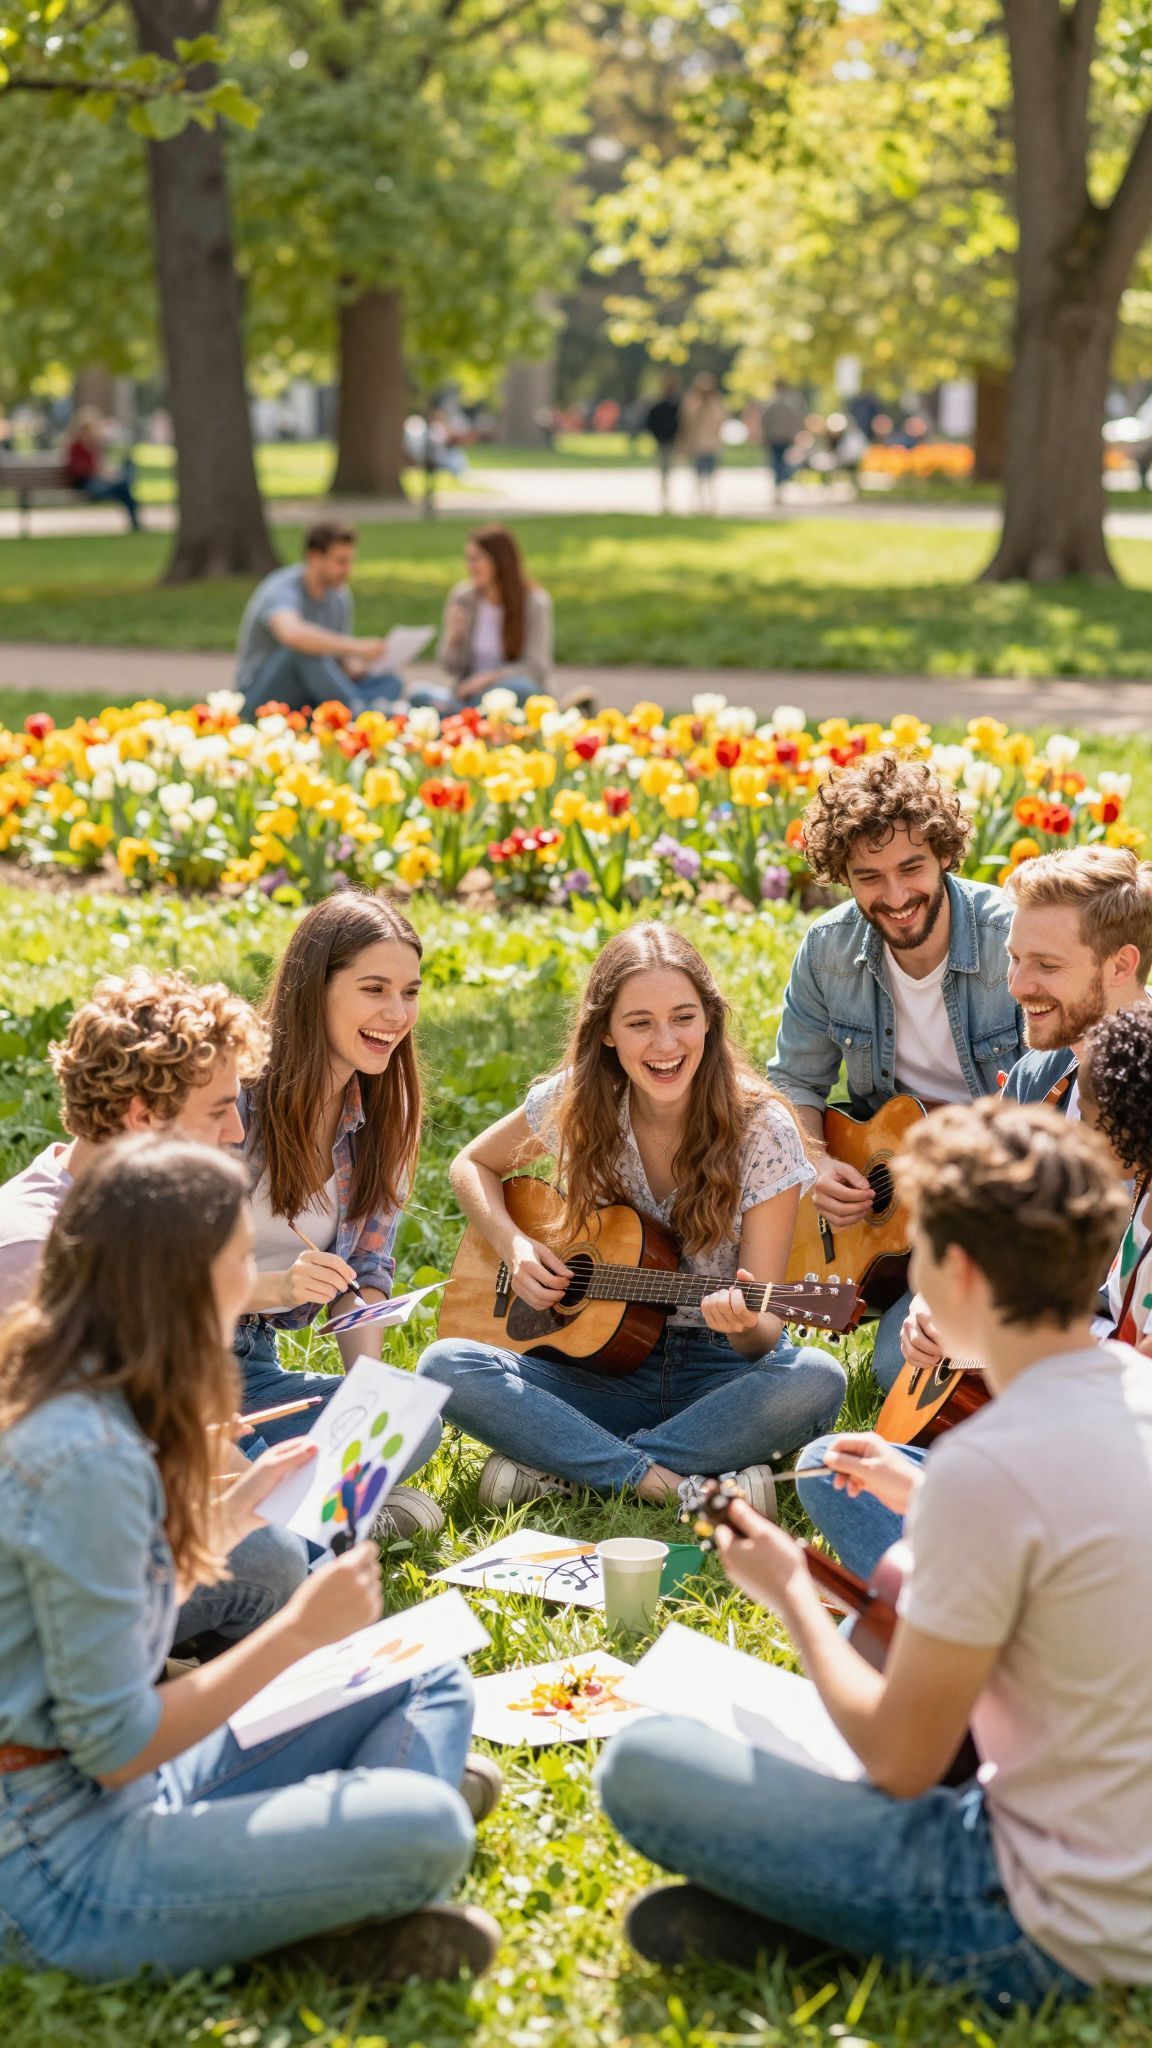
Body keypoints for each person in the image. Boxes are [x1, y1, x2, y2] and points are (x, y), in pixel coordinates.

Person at [601, 1099, 1152, 2008]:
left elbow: (900, 1762)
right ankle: (809, 1913)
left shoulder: (992, 1467)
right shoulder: (1129, 1387)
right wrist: (925, 1493)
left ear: (963, 1273)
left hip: (1037, 1919)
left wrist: (786, 1592)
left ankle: (839, 1924)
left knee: (643, 1763)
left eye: (922, 1252)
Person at [0, 1136, 500, 1986]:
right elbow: (115, 1748)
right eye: (240, 1255)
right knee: (428, 1827)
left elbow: (101, 1616)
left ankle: (296, 1883)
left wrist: (228, 1514)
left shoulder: (100, 1393)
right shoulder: (87, 1455)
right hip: (58, 1862)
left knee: (425, 1672)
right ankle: (321, 1892)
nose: (252, 1280)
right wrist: (299, 1634)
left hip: (123, 1790)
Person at [797, 841, 1152, 1577]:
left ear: (1122, 965)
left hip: (1108, 1417)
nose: (1017, 986)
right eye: (1014, 960)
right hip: (1033, 1386)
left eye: (1046, 966)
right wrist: (943, 1314)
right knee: (837, 1454)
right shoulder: (1036, 1076)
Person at [416, 924, 846, 1513]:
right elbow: (472, 1165)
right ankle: (673, 1481)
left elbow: (765, 1336)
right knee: (445, 1364)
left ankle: (573, 1465)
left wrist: (744, 1325)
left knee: (817, 1379)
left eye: (684, 1018)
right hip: (597, 1371)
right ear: (608, 1034)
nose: (665, 1044)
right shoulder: (581, 1100)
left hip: (718, 1376)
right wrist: (514, 1246)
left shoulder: (762, 1127)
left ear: (711, 1021)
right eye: (639, 1023)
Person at [0, 969, 304, 1655]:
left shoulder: (141, 1221)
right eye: (217, 1111)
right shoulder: (31, 1253)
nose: (235, 1132)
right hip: (44, 1573)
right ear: (142, 1117)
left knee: (291, 1538)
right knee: (270, 1560)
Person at [768, 751, 1023, 1392]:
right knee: (898, 1371)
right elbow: (793, 1084)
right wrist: (817, 1162)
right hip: (895, 1216)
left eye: (911, 867)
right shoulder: (828, 951)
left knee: (911, 1370)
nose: (895, 895)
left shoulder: (1010, 940)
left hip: (1001, 1204)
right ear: (843, 878)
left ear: (943, 854)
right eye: (868, 877)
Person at [235, 891, 444, 1538]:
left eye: (409, 992)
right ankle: (308, 1510)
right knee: (223, 1469)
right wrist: (275, 1287)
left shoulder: (386, 1113)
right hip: (169, 1365)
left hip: (249, 1367)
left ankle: (301, 1504)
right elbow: (154, 1279)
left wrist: (370, 1397)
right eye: (374, 988)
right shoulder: (232, 1099)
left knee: (414, 1423)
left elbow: (367, 1269)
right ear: (313, 988)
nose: (396, 1013)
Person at [235, 522, 405, 720]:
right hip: (261, 695)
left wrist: (361, 666)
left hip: (312, 690)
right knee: (304, 650)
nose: (347, 570)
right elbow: (292, 635)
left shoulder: (339, 596)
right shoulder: (280, 589)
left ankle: (359, 710)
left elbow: (337, 658)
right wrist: (356, 647)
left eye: (350, 562)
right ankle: (360, 713)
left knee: (391, 682)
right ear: (315, 557)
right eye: (341, 562)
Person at [411, 526, 554, 713]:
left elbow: (536, 667)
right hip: (467, 694)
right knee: (418, 694)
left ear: (499, 561)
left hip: (509, 690)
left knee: (519, 689)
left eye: (476, 559)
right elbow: (450, 667)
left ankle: (460, 714)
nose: (469, 566)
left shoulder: (534, 602)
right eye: (468, 559)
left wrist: (488, 678)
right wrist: (454, 639)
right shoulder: (463, 597)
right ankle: (468, 714)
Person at [64, 406, 141, 531]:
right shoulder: (76, 447)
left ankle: (135, 522)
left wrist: (107, 473)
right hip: (87, 485)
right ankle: (135, 523)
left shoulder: (95, 446)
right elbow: (79, 470)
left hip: (100, 481)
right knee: (124, 488)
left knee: (124, 486)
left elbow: (102, 466)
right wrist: (98, 472)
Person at [677, 373, 727, 513]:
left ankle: (710, 502)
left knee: (710, 475)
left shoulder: (716, 402)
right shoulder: (691, 401)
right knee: (697, 475)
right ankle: (699, 502)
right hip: (697, 444)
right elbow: (686, 422)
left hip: (711, 444)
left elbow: (720, 420)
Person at [759, 379, 804, 496]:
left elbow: (765, 420)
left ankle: (780, 480)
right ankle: (781, 480)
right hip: (784, 436)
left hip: (776, 436)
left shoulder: (771, 402)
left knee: (778, 461)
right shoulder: (791, 402)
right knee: (782, 461)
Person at [644, 375, 682, 513]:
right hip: (664, 443)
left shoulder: (679, 405)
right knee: (665, 472)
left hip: (677, 443)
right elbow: (651, 423)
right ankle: (666, 500)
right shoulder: (658, 407)